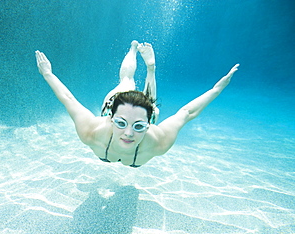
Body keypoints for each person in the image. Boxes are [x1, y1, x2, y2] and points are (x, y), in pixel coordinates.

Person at [35, 41, 239, 167]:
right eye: (121, 124)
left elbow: (187, 112)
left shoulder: (158, 141)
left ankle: (151, 69)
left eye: (139, 127)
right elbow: (68, 99)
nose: (129, 133)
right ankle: (133, 50)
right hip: (120, 107)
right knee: (126, 81)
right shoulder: (91, 130)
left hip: (141, 115)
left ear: (148, 125)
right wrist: (47, 74)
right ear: (111, 119)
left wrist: (216, 90)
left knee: (151, 106)